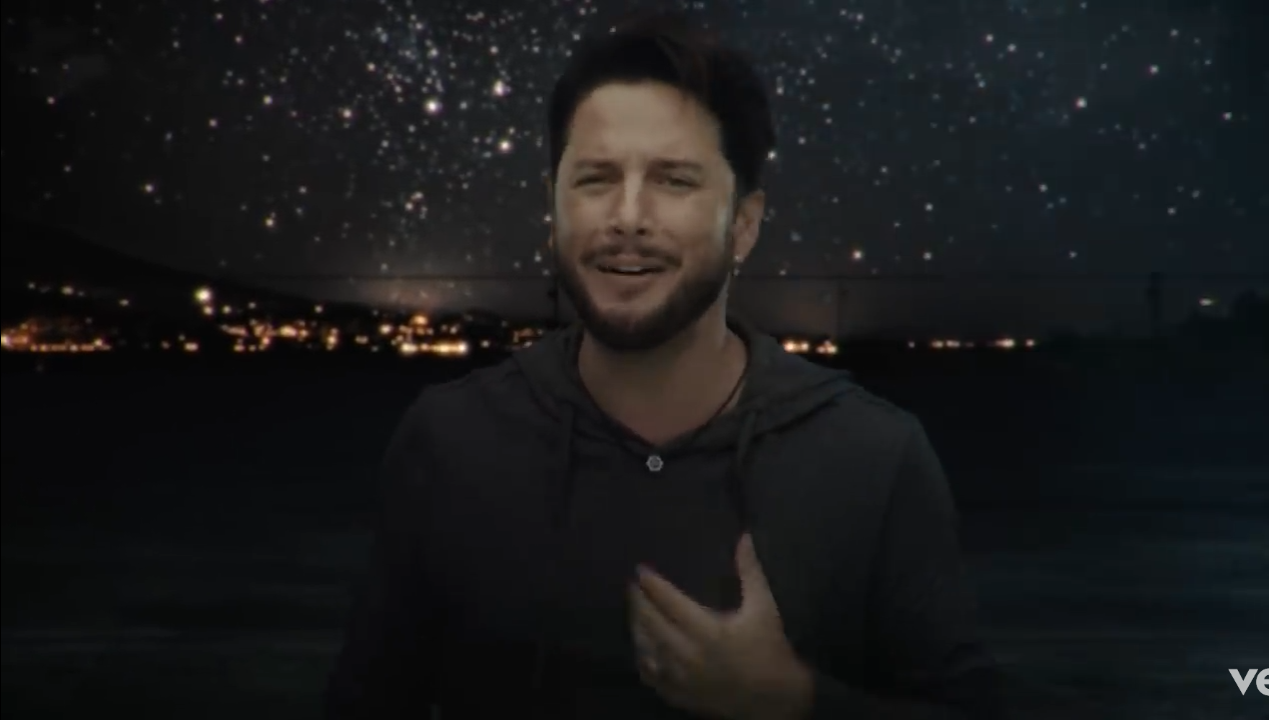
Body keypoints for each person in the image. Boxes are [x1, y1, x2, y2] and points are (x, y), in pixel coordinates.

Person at [325, 12, 1003, 719]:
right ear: (553, 210)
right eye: (595, 179)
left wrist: (792, 702)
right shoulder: (450, 441)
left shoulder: (875, 458)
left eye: (674, 181)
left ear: (743, 225)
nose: (627, 216)